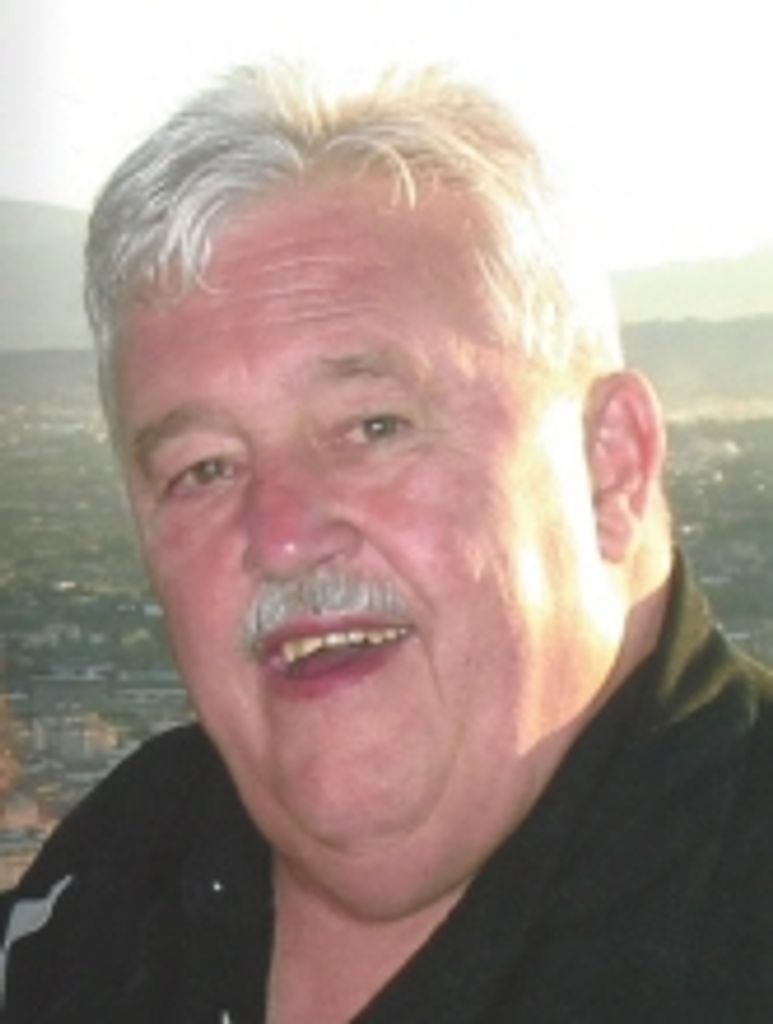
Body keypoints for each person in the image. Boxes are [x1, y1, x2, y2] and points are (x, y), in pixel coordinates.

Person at [1, 64, 772, 1024]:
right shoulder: (105, 892)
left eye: (373, 427)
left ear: (608, 466)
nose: (281, 537)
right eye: (203, 469)